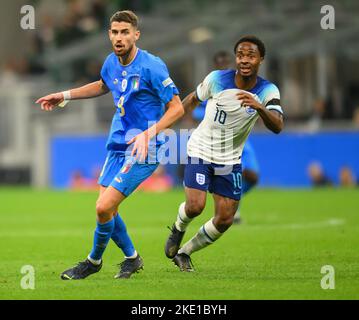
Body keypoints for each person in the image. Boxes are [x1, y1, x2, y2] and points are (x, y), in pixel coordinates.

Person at [36, 10, 184, 280]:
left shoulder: (152, 66)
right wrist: (64, 95)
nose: (119, 37)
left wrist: (148, 134)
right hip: (118, 143)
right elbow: (104, 85)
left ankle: (93, 261)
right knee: (107, 208)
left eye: (125, 32)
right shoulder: (110, 62)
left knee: (103, 208)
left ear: (136, 35)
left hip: (145, 146)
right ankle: (132, 258)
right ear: (109, 35)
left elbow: (177, 109)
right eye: (115, 32)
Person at [165, 36, 284, 272]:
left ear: (260, 59)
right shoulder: (217, 78)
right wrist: (169, 122)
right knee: (195, 206)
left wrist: (260, 107)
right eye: (241, 55)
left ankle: (185, 252)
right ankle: (178, 228)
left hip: (230, 158)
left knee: (225, 219)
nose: (245, 60)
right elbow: (192, 99)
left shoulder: (268, 90)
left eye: (251, 55)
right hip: (201, 149)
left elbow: (278, 125)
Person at [192, 50, 260, 224]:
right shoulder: (214, 84)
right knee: (224, 174)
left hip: (240, 141)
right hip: (217, 141)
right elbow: (195, 109)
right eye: (220, 63)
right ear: (216, 65)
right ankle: (229, 209)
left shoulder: (244, 84)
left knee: (253, 176)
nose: (224, 65)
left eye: (227, 62)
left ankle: (230, 203)